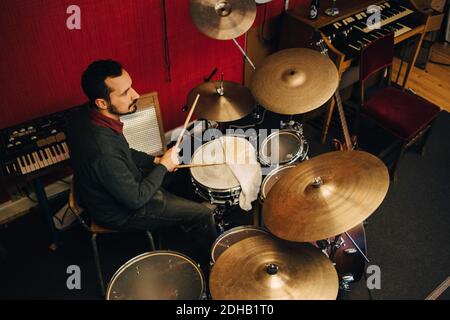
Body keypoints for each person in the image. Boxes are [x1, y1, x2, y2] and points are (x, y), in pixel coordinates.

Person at [69, 59, 217, 263]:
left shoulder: (83, 116)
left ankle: (181, 217)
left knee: (180, 169)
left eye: (131, 87)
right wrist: (164, 165)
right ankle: (212, 261)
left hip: (112, 186)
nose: (136, 95)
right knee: (203, 215)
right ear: (101, 103)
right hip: (120, 211)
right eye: (125, 93)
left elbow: (125, 152)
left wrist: (155, 161)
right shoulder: (103, 152)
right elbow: (136, 199)